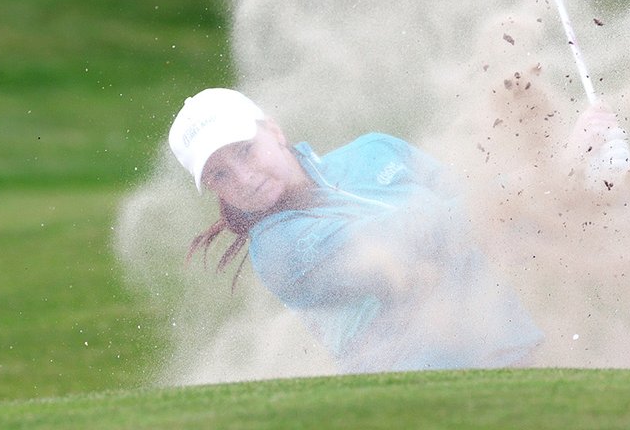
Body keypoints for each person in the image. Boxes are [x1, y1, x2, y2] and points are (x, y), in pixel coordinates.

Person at [168, 87, 547, 373]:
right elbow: (417, 239)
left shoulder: (375, 150)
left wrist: (585, 170)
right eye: (220, 174)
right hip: (427, 397)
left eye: (245, 150)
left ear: (274, 131)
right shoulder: (279, 250)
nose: (244, 177)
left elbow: (484, 210)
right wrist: (546, 178)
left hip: (517, 355)